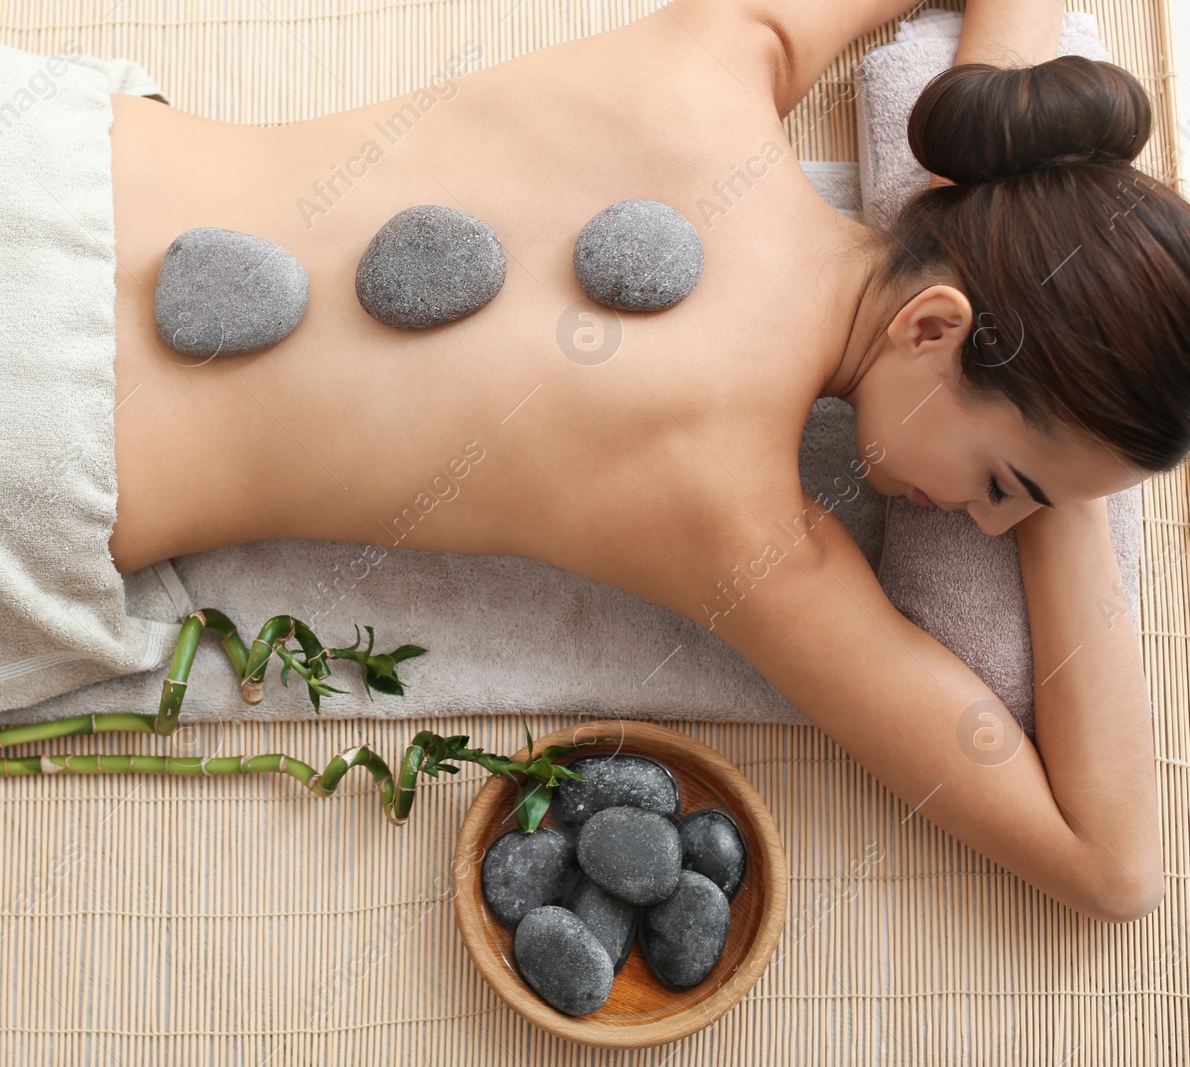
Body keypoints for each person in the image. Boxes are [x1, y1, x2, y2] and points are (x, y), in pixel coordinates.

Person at [106, 0, 1189, 923]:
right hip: (13, 443)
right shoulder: (740, 529)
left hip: (42, 155)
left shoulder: (714, 61)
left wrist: (1005, 164)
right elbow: (1110, 864)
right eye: (1006, 486)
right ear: (929, 327)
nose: (983, 524)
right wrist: (1074, 489)